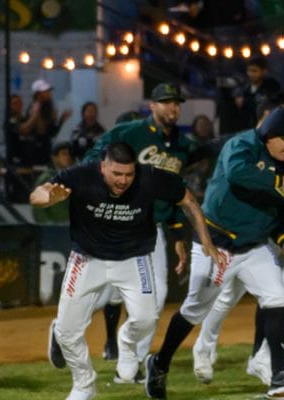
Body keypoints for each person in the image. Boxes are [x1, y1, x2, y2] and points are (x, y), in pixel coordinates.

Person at [144, 107, 284, 400]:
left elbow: (273, 213)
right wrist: (279, 183)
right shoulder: (242, 145)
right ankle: (159, 363)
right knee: (195, 309)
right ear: (270, 135)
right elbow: (239, 175)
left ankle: (278, 374)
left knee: (277, 298)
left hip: (253, 246)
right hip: (217, 245)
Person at [30, 141, 218, 400]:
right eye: (116, 174)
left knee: (146, 317)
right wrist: (47, 197)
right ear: (103, 166)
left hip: (134, 257)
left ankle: (127, 344)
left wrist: (206, 241)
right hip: (87, 257)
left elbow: (187, 199)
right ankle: (84, 383)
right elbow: (38, 193)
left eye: (129, 175)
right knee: (66, 331)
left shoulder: (149, 177)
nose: (123, 181)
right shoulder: (82, 175)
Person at [82, 82, 198, 366]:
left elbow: (173, 194)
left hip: (151, 228)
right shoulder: (131, 133)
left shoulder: (182, 147)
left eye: (177, 102)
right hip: (118, 223)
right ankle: (63, 327)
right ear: (152, 106)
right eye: (167, 101)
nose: (173, 107)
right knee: (98, 291)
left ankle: (133, 356)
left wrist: (179, 234)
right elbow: (94, 156)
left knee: (156, 297)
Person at [31, 141, 74, 225]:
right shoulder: (47, 179)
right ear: (55, 158)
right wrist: (47, 226)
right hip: (55, 226)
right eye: (64, 154)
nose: (68, 157)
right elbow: (38, 207)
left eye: (69, 154)